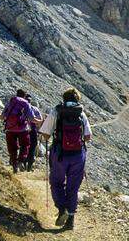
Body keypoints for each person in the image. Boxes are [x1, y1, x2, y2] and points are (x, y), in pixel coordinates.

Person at [39, 87, 92, 231]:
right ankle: (71, 220)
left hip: (60, 154)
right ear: (77, 99)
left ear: (64, 98)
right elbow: (87, 137)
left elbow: (45, 134)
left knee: (56, 182)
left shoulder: (57, 111)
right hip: (77, 155)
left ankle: (62, 209)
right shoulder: (81, 113)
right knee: (73, 188)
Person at [0, 89, 36, 173]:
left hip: (10, 128)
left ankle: (14, 164)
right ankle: (21, 161)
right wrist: (39, 121)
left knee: (12, 147)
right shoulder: (26, 103)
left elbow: (3, 116)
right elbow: (31, 118)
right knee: (25, 144)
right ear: (24, 95)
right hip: (22, 129)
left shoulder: (11, 102)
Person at [24, 94, 43, 172]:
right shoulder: (35, 109)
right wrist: (39, 129)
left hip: (23, 130)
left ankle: (23, 164)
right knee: (32, 148)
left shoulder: (21, 108)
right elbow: (40, 120)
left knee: (24, 147)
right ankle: (29, 166)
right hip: (33, 130)